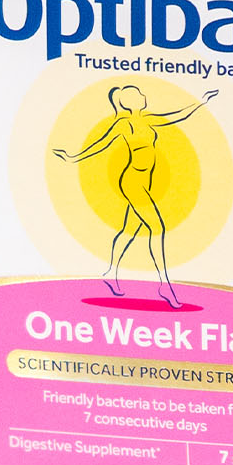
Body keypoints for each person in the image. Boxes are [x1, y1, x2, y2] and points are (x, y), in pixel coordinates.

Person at [53, 83, 217, 308]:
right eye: (138, 94)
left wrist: (202, 101)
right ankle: (164, 285)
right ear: (128, 102)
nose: (143, 95)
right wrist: (74, 157)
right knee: (157, 228)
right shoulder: (124, 124)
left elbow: (177, 115)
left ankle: (111, 273)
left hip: (145, 182)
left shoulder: (148, 120)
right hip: (132, 181)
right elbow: (100, 144)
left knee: (130, 229)